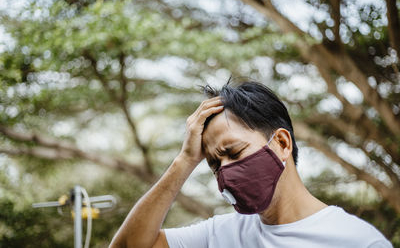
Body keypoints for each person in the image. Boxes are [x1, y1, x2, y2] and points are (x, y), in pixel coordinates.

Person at [109, 79, 392, 248]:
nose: (226, 172)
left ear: (282, 144)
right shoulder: (220, 235)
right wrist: (185, 160)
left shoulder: (358, 241)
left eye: (234, 152)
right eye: (215, 165)